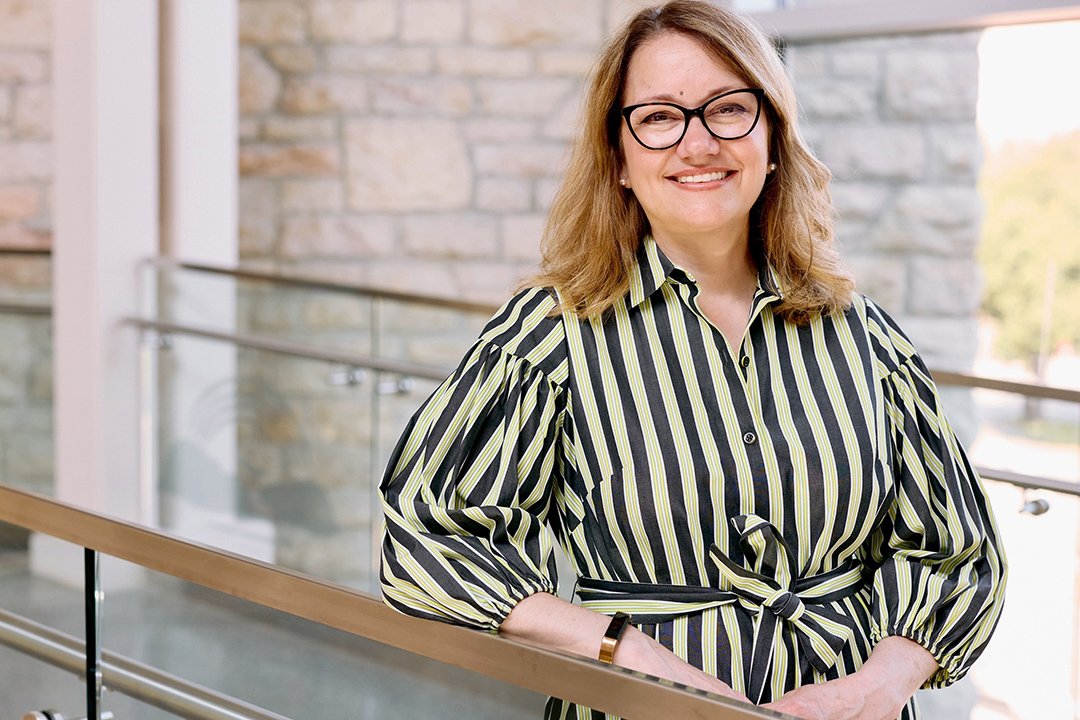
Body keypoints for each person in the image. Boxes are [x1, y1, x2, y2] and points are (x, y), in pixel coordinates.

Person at [379, 2, 1007, 718]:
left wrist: (879, 685)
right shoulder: (548, 333)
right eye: (658, 117)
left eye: (728, 109)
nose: (697, 142)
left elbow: (957, 552)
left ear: (772, 138)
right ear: (617, 156)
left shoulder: (865, 336)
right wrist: (626, 649)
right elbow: (429, 533)